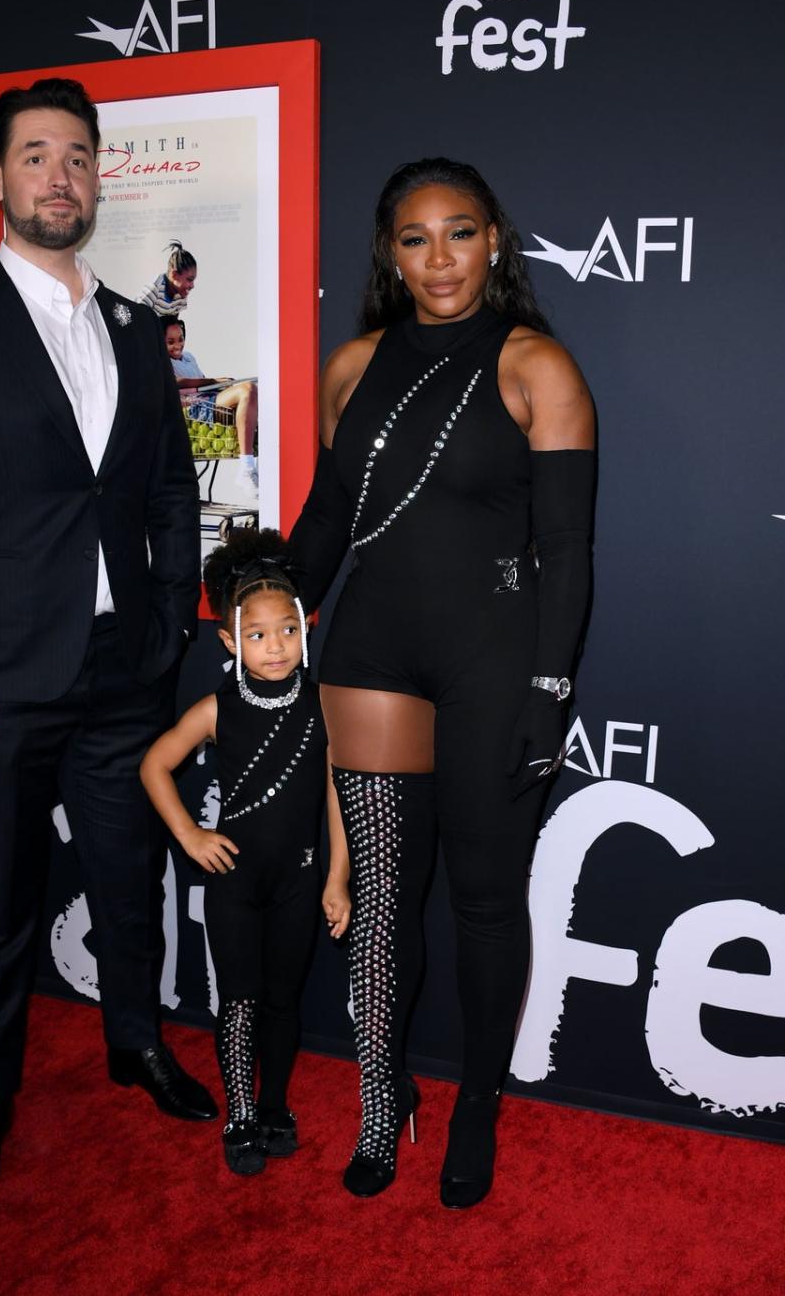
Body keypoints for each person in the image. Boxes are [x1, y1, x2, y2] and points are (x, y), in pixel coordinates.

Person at [0, 77, 218, 1203]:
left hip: (126, 672)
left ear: (97, 176)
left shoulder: (132, 323)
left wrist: (170, 615)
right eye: (34, 156)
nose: (58, 176)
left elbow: (169, 485)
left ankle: (138, 1043)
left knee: (131, 878)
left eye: (76, 156)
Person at [289, 158, 595, 1208]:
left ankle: (474, 1102)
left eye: (458, 233)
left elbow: (566, 545)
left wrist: (549, 688)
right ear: (389, 253)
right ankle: (385, 1099)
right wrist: (267, 598)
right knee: (380, 901)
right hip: (371, 655)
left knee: (478, 898)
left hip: (492, 665)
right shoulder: (351, 366)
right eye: (415, 239)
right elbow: (327, 525)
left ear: (494, 240)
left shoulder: (535, 365)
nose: (439, 258)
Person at [141, 529, 348, 1176]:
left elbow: (338, 798)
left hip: (298, 879)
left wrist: (337, 879)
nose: (275, 645)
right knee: (239, 1001)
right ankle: (239, 1113)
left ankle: (276, 1104)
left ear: (304, 629)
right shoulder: (214, 710)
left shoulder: (324, 708)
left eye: (287, 630)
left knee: (283, 1001)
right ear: (229, 642)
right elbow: (154, 765)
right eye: (256, 635)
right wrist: (190, 835)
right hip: (232, 882)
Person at [163, 316, 259, 497]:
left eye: (181, 339)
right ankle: (246, 467)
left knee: (254, 394)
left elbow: (203, 385)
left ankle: (258, 464)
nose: (178, 345)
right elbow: (175, 382)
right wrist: (213, 381)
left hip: (207, 402)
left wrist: (219, 385)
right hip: (195, 411)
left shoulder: (189, 358)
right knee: (247, 389)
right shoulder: (160, 361)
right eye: (170, 342)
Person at [138, 239, 197, 317]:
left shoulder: (181, 294)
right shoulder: (154, 290)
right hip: (144, 324)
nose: (192, 286)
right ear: (174, 275)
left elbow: (174, 322)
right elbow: (136, 317)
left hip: (162, 325)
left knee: (175, 328)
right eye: (189, 280)